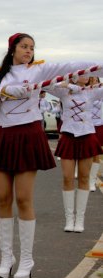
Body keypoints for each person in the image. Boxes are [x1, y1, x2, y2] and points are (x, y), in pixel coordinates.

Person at [0, 32, 103, 278]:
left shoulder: (39, 72)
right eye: (24, 47)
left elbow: (74, 66)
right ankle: (6, 258)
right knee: (3, 198)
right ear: (12, 49)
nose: (29, 51)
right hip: (4, 136)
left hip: (28, 135)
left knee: (23, 198)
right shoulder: (0, 75)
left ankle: (26, 260)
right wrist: (6, 91)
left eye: (32, 47)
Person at [46, 77, 103, 232]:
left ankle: (80, 220)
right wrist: (65, 84)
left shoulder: (93, 92)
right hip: (68, 135)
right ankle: (69, 219)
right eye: (81, 73)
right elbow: (46, 85)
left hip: (87, 135)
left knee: (84, 177)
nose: (85, 77)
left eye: (88, 74)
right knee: (67, 177)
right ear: (75, 75)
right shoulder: (64, 92)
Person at [88, 77, 102, 192]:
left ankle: (92, 181)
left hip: (99, 126)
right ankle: (82, 173)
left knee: (96, 155)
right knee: (87, 154)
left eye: (96, 80)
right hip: (87, 127)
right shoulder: (84, 92)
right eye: (92, 80)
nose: (94, 82)